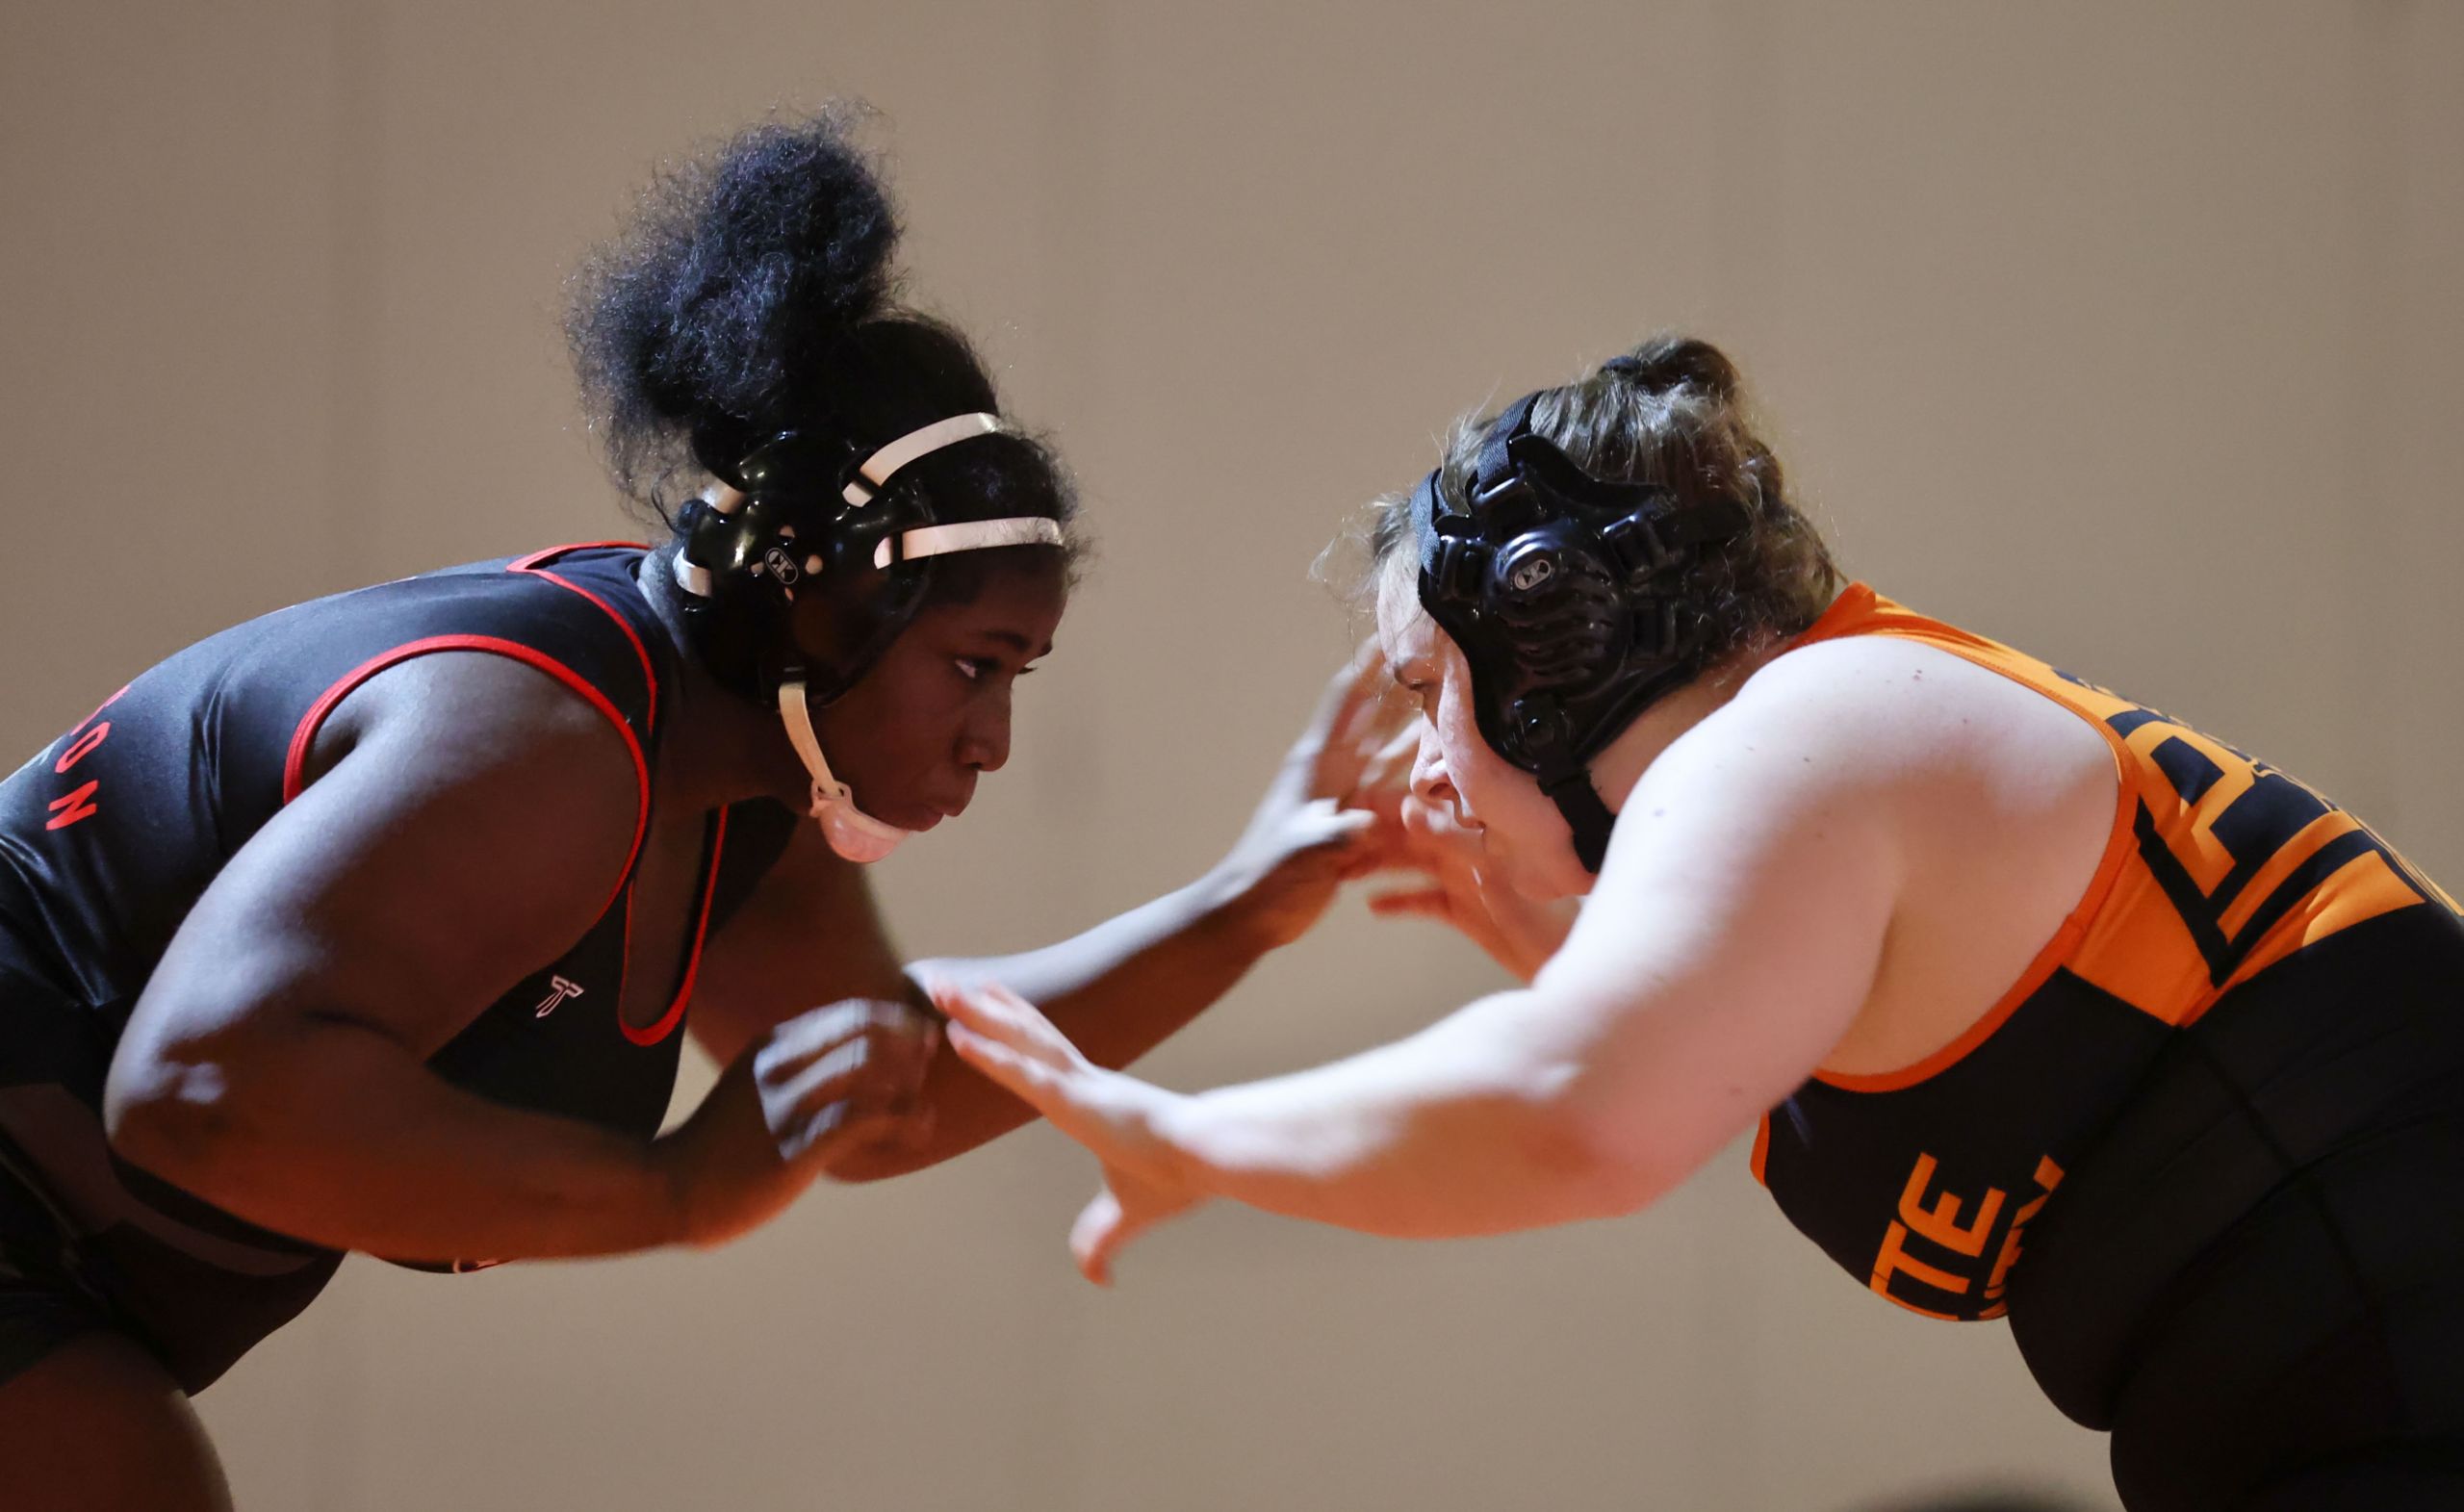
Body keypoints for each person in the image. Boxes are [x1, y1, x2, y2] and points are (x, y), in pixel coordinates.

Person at [0, 114, 1399, 1511]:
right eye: (974, 667)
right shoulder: (543, 747)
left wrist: (1248, 905)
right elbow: (201, 1099)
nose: (993, 741)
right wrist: (672, 1192)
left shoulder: (741, 774)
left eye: (1017, 676)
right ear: (816, 598)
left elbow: (883, 1096)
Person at [937, 335, 2464, 1512]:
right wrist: (1581, 971)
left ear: (1551, 635)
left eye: (1428, 688)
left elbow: (1574, 1122)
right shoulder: (1828, 750)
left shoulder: (1803, 728)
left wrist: (1182, 1138)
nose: (1422, 763)